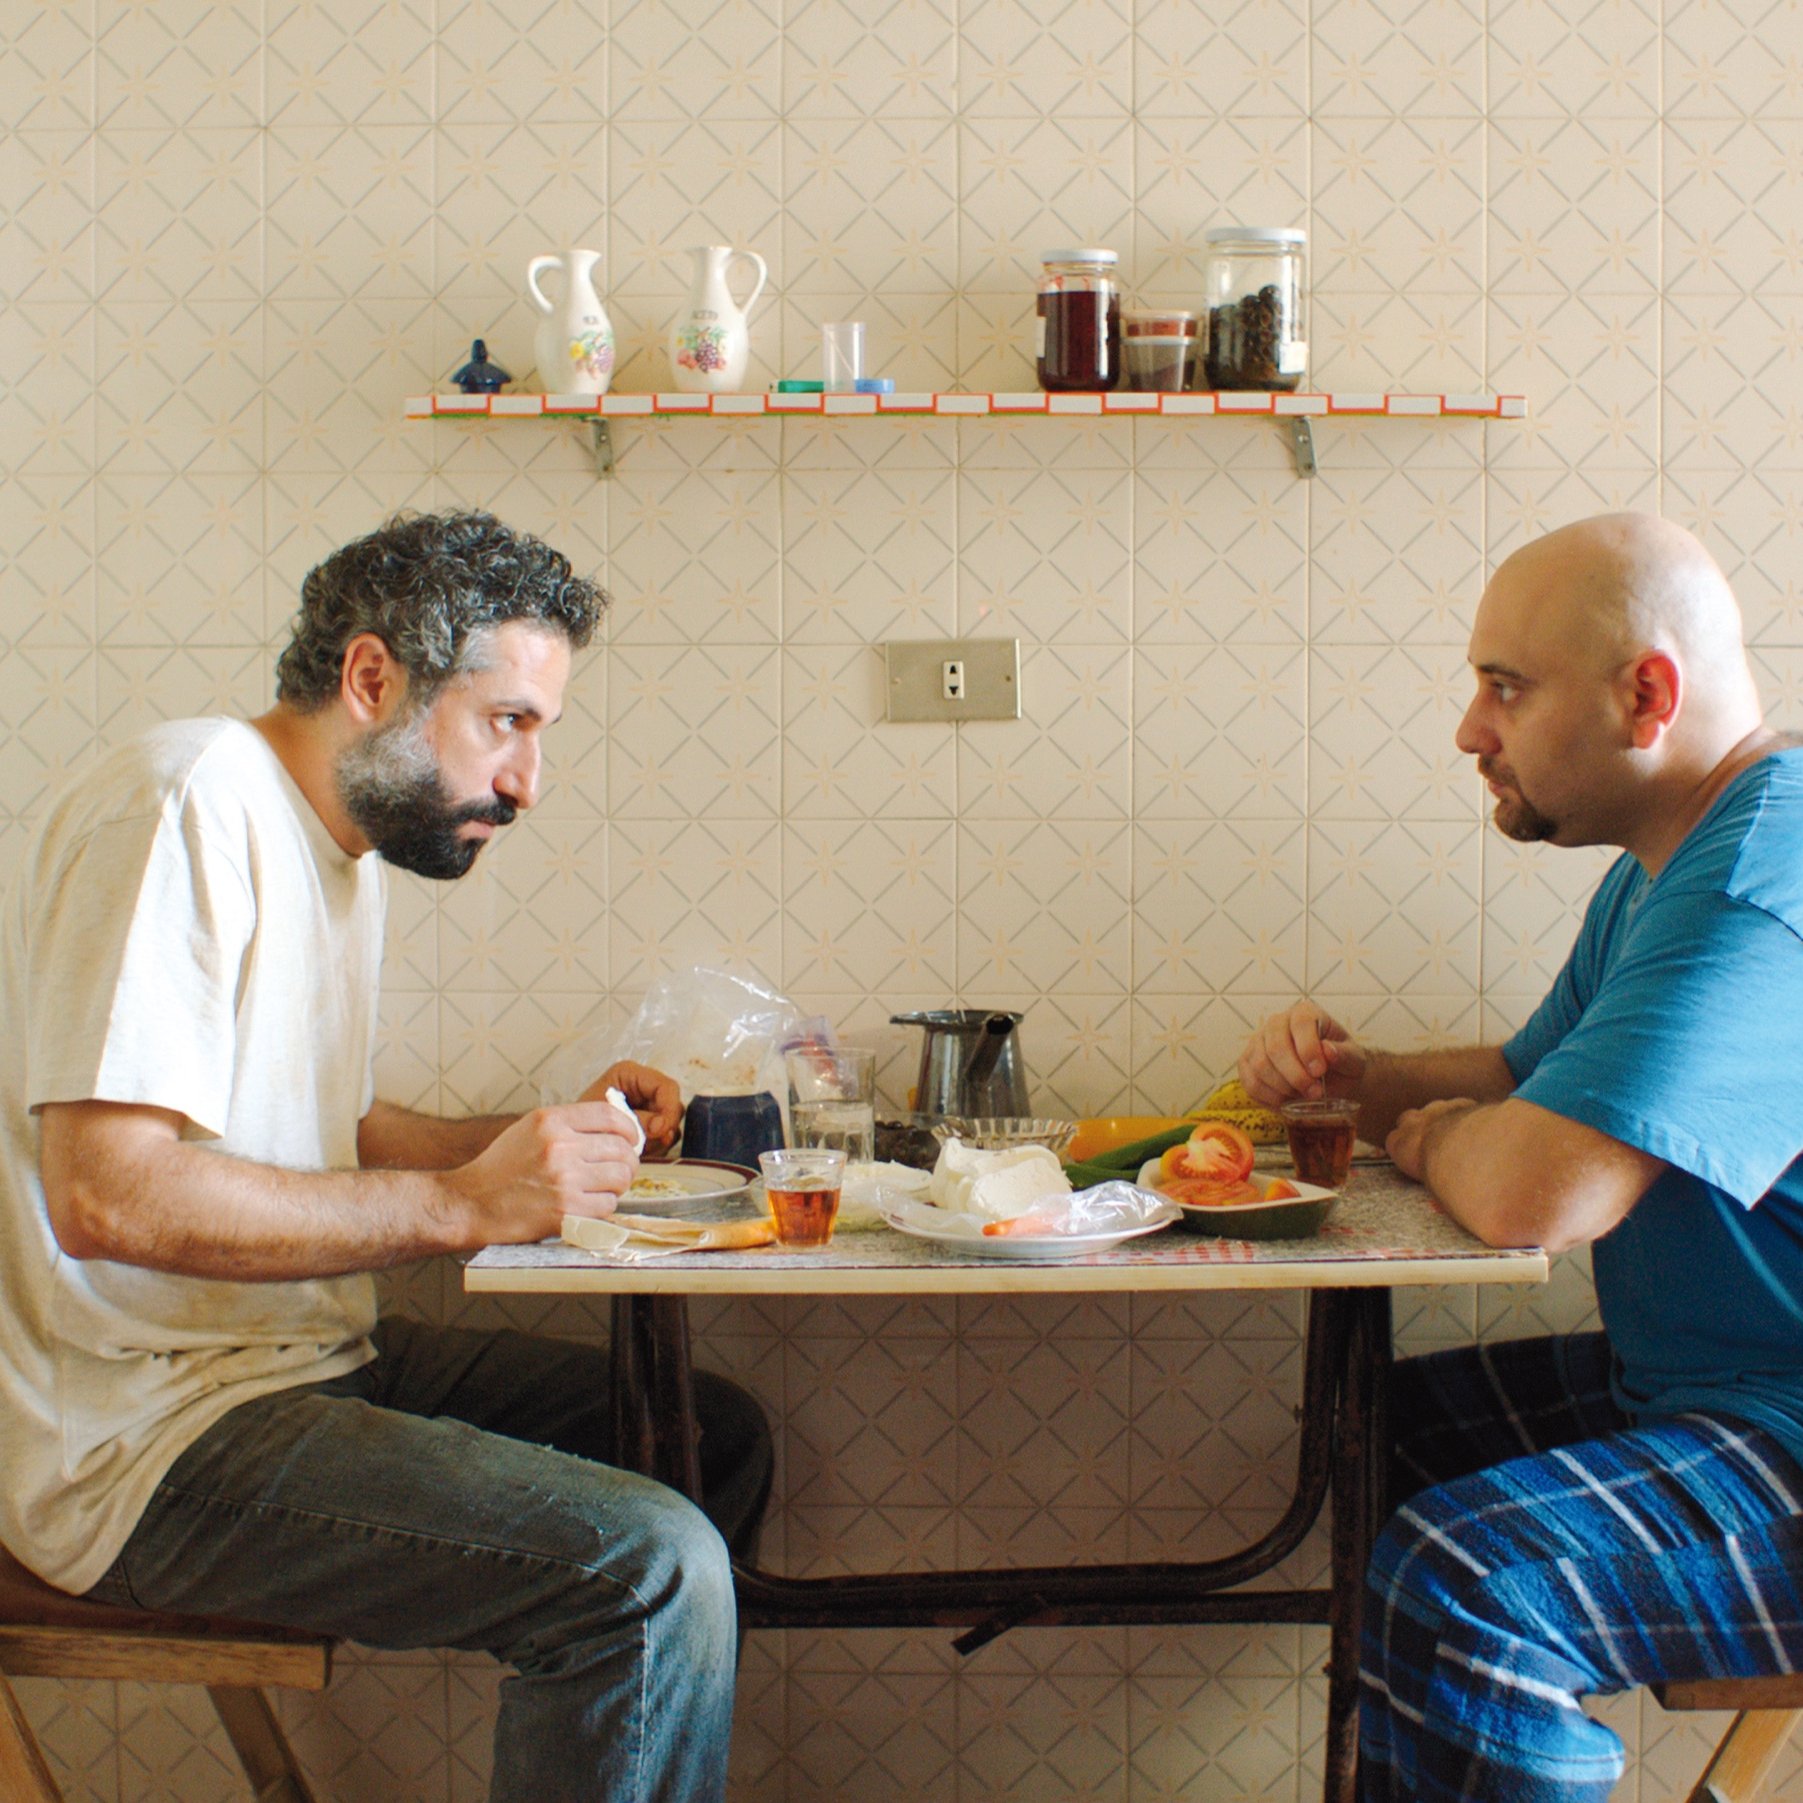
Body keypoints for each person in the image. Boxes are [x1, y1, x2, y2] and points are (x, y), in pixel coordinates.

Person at [0, 510, 771, 1803]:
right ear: (374, 680)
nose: (527, 784)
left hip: (299, 1361)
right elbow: (106, 1194)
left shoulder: (334, 850)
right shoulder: (184, 799)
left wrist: (550, 1141)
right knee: (646, 1569)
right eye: (507, 724)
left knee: (707, 1437)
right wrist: (462, 1205)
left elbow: (338, 1137)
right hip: (143, 1439)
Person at [1238, 512, 1803, 1803]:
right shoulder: (1667, 868)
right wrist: (1350, 1082)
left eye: (1505, 688)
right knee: (1378, 1438)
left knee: (1470, 1581)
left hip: (1786, 1429)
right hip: (1711, 1388)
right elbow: (1515, 1084)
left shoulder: (1768, 880)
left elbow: (1536, 1189)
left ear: (1646, 695)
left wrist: (1441, 1143)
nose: (1468, 731)